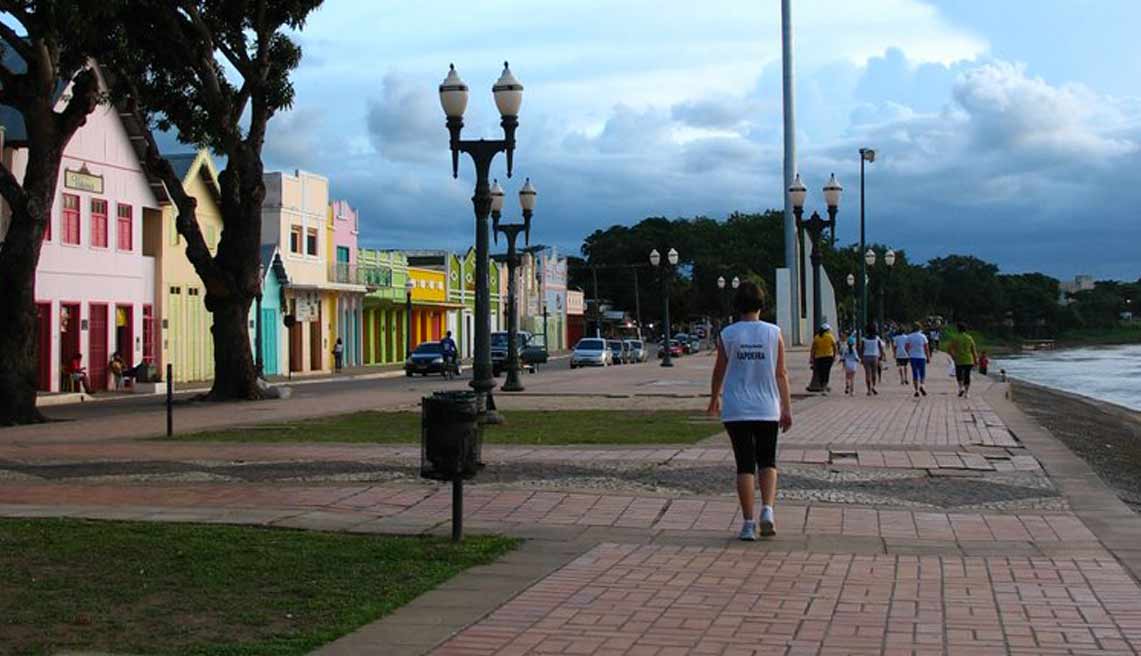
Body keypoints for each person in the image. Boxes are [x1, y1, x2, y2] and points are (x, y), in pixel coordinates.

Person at [707, 281, 792, 541]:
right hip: (767, 407)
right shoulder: (773, 332)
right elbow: (781, 373)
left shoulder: (728, 334)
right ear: (761, 304)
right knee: (767, 460)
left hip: (737, 408)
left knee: (744, 465)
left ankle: (747, 523)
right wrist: (786, 408)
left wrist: (714, 399)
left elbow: (719, 370)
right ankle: (767, 509)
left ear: (737, 305)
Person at [947, 322, 979, 398]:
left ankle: (961, 388)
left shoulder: (955, 338)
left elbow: (949, 349)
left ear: (958, 329)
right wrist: (976, 359)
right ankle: (967, 393)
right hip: (968, 359)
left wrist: (953, 356)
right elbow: (973, 350)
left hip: (959, 359)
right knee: (967, 376)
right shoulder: (969, 338)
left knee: (959, 375)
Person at [809, 323, 837, 395]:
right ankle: (824, 386)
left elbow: (813, 348)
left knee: (821, 372)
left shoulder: (817, 337)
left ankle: (822, 386)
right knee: (826, 372)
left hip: (819, 357)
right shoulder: (830, 336)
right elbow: (834, 347)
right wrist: (835, 356)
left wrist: (811, 358)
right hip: (828, 356)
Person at [905, 322, 931, 398]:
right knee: (922, 373)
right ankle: (922, 385)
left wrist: (909, 353)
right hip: (922, 357)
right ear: (920, 328)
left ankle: (916, 390)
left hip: (913, 357)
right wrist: (928, 357)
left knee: (915, 373)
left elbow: (906, 347)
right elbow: (926, 348)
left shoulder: (909, 337)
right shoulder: (923, 336)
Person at [857, 323, 880, 395]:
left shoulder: (864, 339)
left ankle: (868, 390)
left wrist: (861, 358)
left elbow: (862, 349)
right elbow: (881, 348)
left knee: (867, 374)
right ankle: (873, 386)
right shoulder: (877, 338)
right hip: (875, 356)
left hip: (866, 357)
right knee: (874, 373)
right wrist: (881, 356)